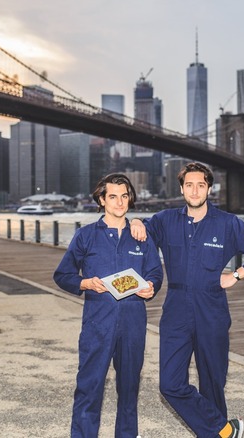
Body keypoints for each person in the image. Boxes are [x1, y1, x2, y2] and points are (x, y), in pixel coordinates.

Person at [129, 162, 244, 438]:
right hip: (175, 308)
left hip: (212, 309)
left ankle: (217, 433)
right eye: (189, 185)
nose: (195, 190)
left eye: (201, 185)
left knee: (212, 382)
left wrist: (236, 274)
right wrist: (137, 221)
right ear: (181, 188)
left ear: (210, 188)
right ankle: (225, 430)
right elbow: (142, 230)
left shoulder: (227, 224)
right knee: (170, 384)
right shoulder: (165, 220)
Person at [54, 173, 163, 438]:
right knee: (89, 388)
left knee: (129, 390)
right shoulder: (86, 236)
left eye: (124, 196)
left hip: (133, 324)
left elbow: (156, 273)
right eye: (113, 196)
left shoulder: (142, 236)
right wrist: (86, 283)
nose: (119, 202)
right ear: (102, 200)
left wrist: (151, 287)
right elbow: (63, 275)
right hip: (97, 324)